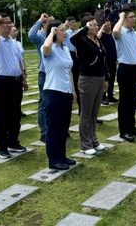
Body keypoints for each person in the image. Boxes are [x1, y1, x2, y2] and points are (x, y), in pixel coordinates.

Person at [0, 13, 28, 159]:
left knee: (15, 115)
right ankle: (1, 147)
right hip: (3, 81)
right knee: (2, 116)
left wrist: (23, 79)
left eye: (9, 22)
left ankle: (13, 142)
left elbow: (18, 61)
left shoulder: (12, 42)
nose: (9, 25)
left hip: (16, 81)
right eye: (5, 23)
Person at [42, 20, 78, 170]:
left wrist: (73, 90)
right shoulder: (49, 48)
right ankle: (54, 160)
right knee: (54, 128)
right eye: (62, 30)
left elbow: (69, 71)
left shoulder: (65, 49)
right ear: (55, 32)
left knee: (63, 128)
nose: (65, 32)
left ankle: (62, 155)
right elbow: (46, 47)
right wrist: (51, 33)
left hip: (66, 92)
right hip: (53, 92)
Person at [70, 16, 108, 155]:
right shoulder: (82, 40)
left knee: (94, 113)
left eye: (96, 25)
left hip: (100, 78)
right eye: (92, 25)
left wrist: (106, 79)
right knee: (86, 113)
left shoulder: (97, 40)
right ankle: (85, 145)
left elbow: (103, 59)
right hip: (87, 79)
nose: (96, 27)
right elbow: (72, 39)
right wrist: (85, 28)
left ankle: (94, 140)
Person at [113, 9, 136, 142]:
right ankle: (124, 130)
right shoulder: (120, 32)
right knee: (125, 101)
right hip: (125, 69)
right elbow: (115, 31)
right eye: (131, 17)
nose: (134, 19)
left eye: (134, 17)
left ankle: (132, 127)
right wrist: (120, 17)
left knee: (133, 100)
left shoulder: (135, 33)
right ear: (125, 19)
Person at [28, 13, 54, 142]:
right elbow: (31, 35)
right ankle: (44, 131)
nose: (52, 25)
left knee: (55, 103)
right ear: (44, 25)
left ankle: (54, 128)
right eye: (49, 22)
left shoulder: (58, 37)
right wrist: (40, 20)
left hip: (56, 74)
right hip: (44, 74)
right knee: (44, 104)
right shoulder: (41, 37)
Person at [98, 18, 119, 104]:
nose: (109, 26)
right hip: (105, 60)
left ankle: (110, 95)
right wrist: (102, 28)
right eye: (107, 25)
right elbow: (97, 37)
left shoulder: (112, 35)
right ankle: (102, 97)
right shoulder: (101, 35)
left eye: (110, 24)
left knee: (112, 78)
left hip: (113, 59)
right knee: (105, 79)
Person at [65, 16, 80, 110]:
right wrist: (65, 24)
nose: (74, 24)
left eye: (75, 22)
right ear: (68, 23)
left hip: (77, 54)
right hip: (70, 54)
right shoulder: (66, 33)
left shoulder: (77, 32)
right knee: (71, 76)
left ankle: (77, 95)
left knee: (77, 76)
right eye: (72, 22)